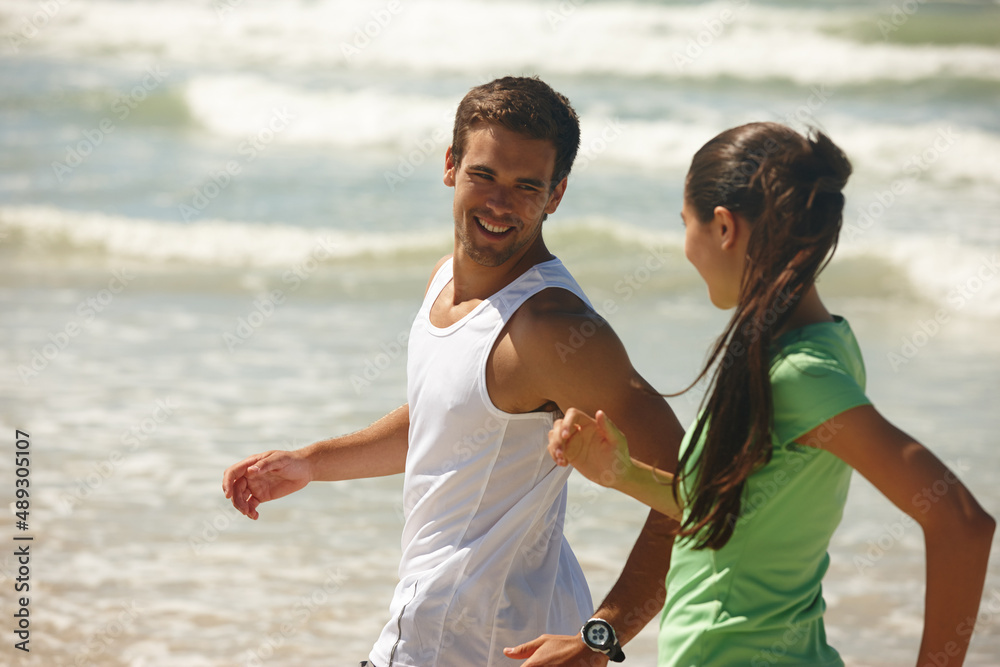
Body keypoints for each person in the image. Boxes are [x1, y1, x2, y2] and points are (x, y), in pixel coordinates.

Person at [222, 76, 686, 667]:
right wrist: (314, 462)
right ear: (450, 165)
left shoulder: (552, 328)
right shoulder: (445, 280)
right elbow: (450, 416)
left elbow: (696, 488)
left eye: (526, 187)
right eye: (484, 175)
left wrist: (603, 636)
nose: (499, 203)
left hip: (503, 649)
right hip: (428, 634)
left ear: (557, 194)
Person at [538, 122, 995, 666]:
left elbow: (962, 523)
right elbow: (736, 511)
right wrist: (625, 473)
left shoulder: (799, 372)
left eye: (687, 225)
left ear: (725, 227)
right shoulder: (812, 344)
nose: (686, 248)